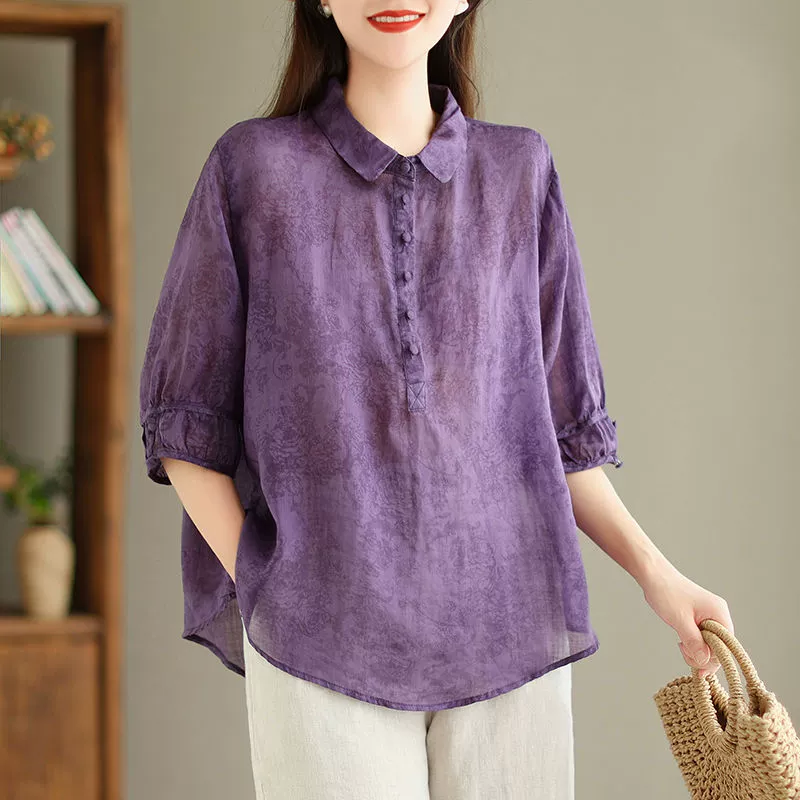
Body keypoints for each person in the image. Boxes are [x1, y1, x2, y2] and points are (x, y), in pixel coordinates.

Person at [138, 0, 736, 797]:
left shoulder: (520, 171)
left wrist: (660, 577)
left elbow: (560, 437)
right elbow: (185, 421)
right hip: (320, 639)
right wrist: (268, 582)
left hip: (511, 633)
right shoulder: (253, 168)